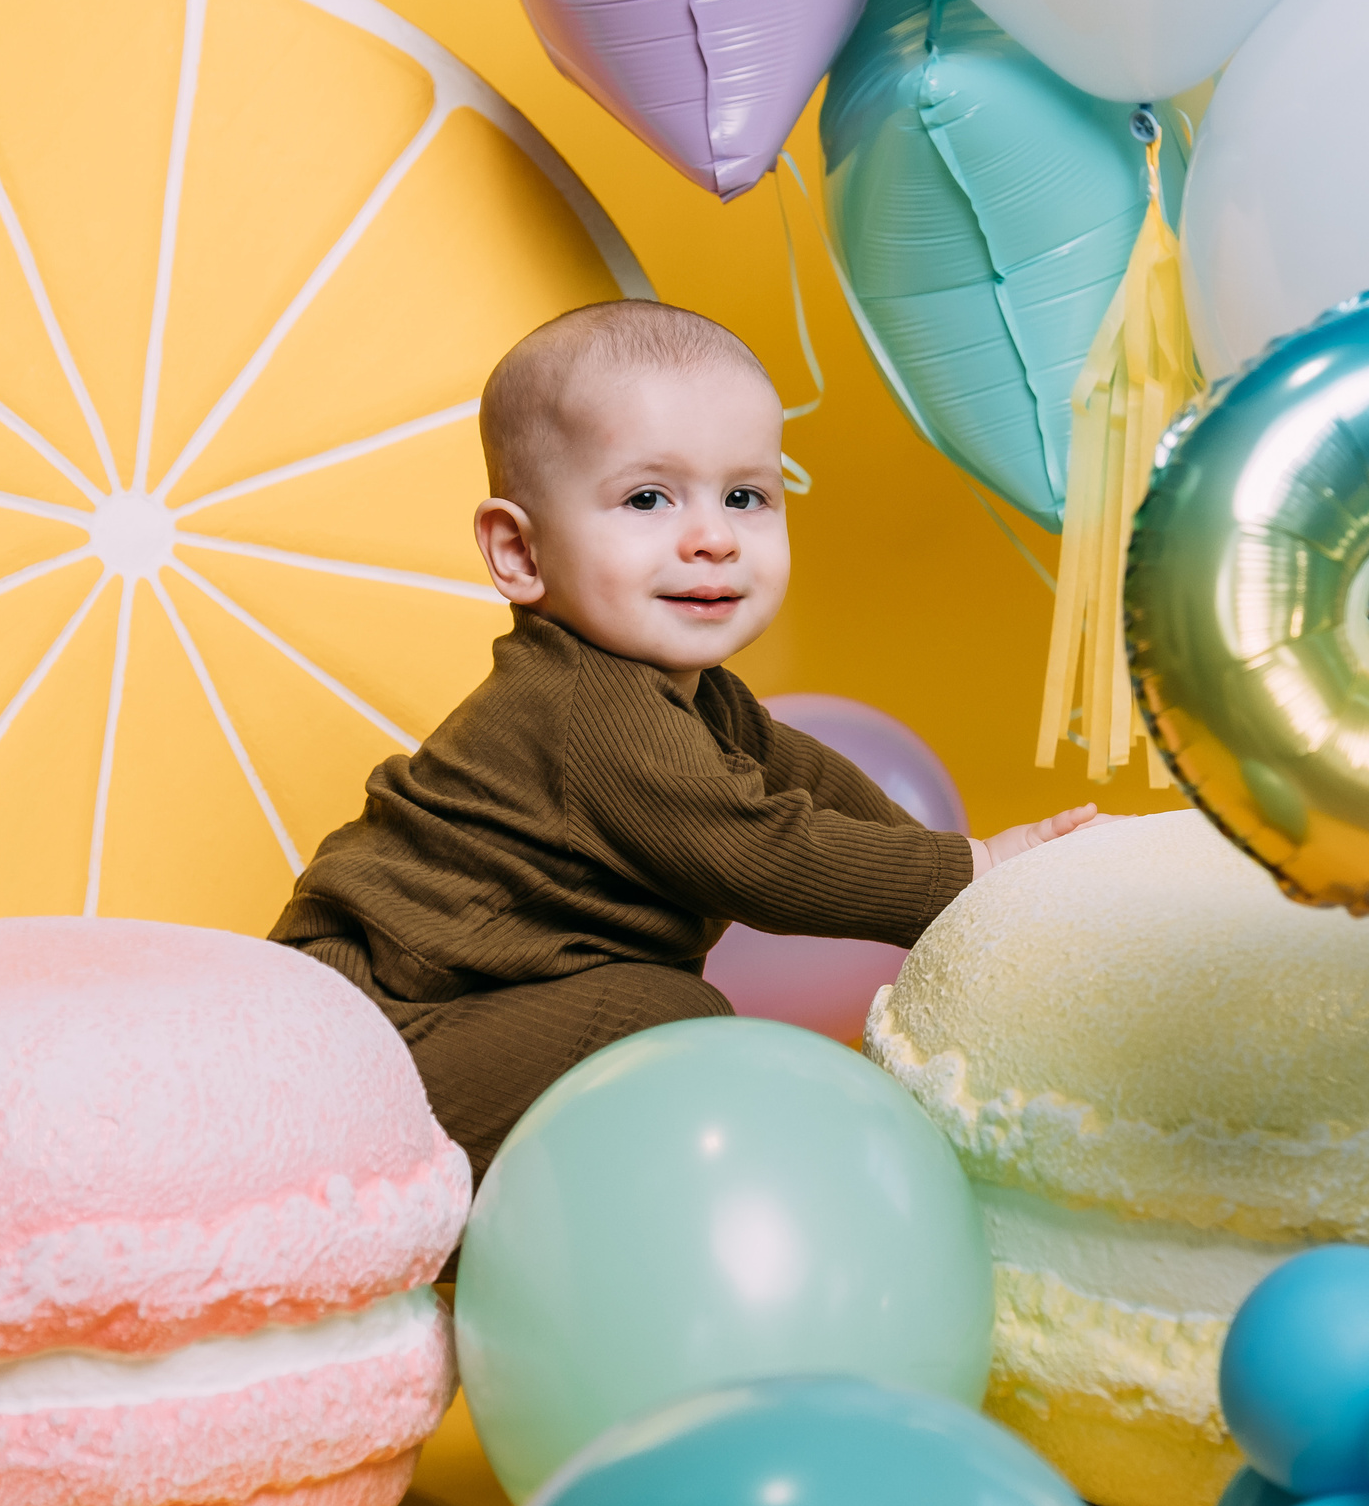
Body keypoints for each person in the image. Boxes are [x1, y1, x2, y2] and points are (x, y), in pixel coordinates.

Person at [271, 301, 1102, 1181]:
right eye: (647, 498)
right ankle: (403, 1214)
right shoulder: (586, 708)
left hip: (465, 1015)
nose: (711, 539)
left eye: (746, 495)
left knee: (657, 1016)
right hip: (367, 1037)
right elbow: (760, 853)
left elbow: (808, 785)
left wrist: (970, 892)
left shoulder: (698, 700)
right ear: (519, 551)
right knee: (662, 1019)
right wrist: (970, 870)